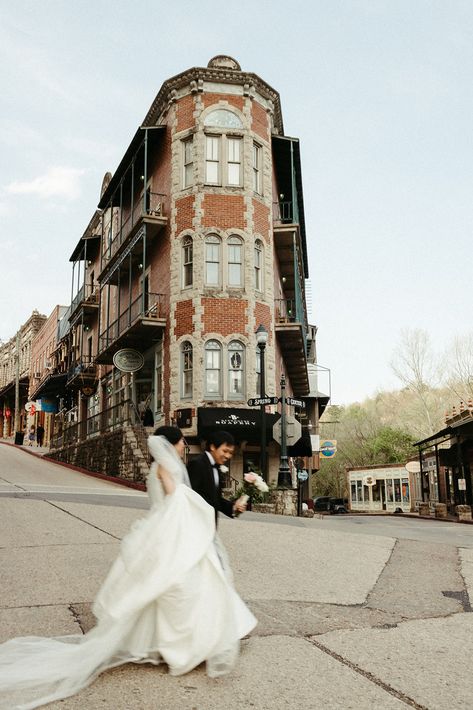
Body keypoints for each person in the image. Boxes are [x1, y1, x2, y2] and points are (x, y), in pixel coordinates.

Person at [0, 425, 256, 709]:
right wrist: (199, 510)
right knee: (176, 585)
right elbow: (176, 499)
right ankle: (182, 644)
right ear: (171, 443)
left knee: (171, 585)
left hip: (166, 530)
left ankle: (176, 639)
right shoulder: (165, 467)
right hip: (169, 532)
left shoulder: (165, 465)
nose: (185, 445)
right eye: (182, 441)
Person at [187, 430, 247, 525]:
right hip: (196, 523)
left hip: (210, 525)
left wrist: (233, 507)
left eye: (230, 452)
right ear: (213, 447)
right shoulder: (197, 464)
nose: (228, 456)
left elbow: (216, 499)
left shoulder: (217, 467)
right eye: (225, 451)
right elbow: (191, 496)